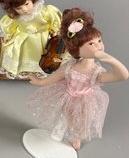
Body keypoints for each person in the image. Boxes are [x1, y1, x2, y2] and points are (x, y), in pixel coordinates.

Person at [27, 8, 128, 150]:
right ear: (77, 50)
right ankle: (58, 133)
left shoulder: (95, 73)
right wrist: (40, 82)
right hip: (66, 95)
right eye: (91, 44)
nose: (99, 46)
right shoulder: (70, 66)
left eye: (99, 41)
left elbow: (122, 75)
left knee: (78, 121)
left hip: (83, 101)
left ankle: (76, 137)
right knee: (64, 115)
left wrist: (111, 60)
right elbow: (56, 76)